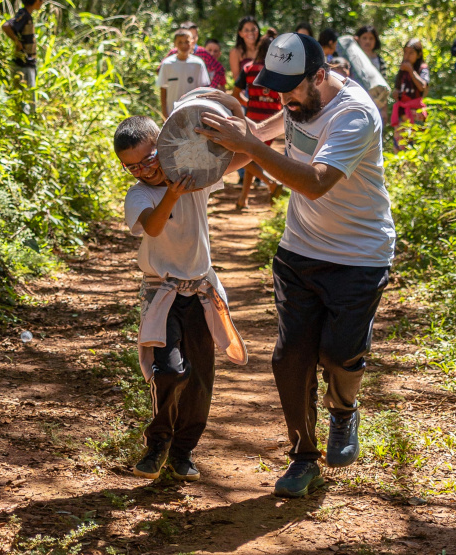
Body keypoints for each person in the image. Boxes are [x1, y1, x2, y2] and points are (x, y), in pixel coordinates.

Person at [197, 33, 395, 498]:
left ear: (320, 76)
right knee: (291, 359)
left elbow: (314, 183)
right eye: (278, 87)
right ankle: (304, 456)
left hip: (358, 257)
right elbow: (261, 139)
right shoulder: (297, 102)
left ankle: (343, 411)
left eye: (292, 88)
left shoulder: (354, 114)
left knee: (340, 353)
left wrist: (250, 144)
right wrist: (196, 171)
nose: (283, 98)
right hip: (300, 251)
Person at [115, 115, 247, 482]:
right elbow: (153, 227)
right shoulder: (140, 194)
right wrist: (171, 192)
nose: (143, 169)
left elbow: (240, 158)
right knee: (170, 371)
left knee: (202, 377)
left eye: (150, 157)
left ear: (166, 146)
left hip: (201, 290)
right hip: (162, 292)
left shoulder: (195, 178)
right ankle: (158, 443)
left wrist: (245, 138)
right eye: (132, 166)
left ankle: (183, 452)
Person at [231, 36, 282, 209]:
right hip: (273, 122)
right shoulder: (279, 71)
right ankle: (243, 199)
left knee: (250, 156)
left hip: (253, 119)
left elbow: (235, 94)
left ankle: (271, 183)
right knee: (251, 156)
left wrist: (249, 102)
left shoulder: (249, 68)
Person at [157, 29, 210, 118]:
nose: (184, 45)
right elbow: (163, 90)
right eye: (180, 42)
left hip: (193, 114)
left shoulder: (198, 64)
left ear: (192, 42)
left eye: (187, 42)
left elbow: (204, 90)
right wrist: (164, 115)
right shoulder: (167, 64)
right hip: (172, 114)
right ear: (175, 44)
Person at [161, 22, 227, 90]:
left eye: (194, 37)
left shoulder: (203, 53)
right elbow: (160, 69)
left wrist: (211, 87)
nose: (191, 40)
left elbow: (220, 69)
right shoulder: (173, 53)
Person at [390, 38, 429, 149]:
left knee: (415, 145)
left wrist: (411, 70)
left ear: (419, 54)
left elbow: (422, 86)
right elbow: (398, 88)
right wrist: (396, 93)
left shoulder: (422, 68)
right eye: (405, 52)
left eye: (411, 53)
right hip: (402, 113)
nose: (407, 55)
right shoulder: (402, 69)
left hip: (416, 113)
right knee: (400, 145)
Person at [1, 0, 44, 92]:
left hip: (28, 63)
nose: (42, 2)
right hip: (24, 64)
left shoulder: (27, 15)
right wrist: (17, 42)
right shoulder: (24, 15)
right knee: (27, 99)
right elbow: (6, 26)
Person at [229, 16, 260, 81]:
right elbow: (236, 78)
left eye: (253, 29)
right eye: (246, 30)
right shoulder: (235, 52)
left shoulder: (265, 49)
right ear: (240, 33)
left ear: (258, 30)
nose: (251, 33)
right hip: (246, 90)